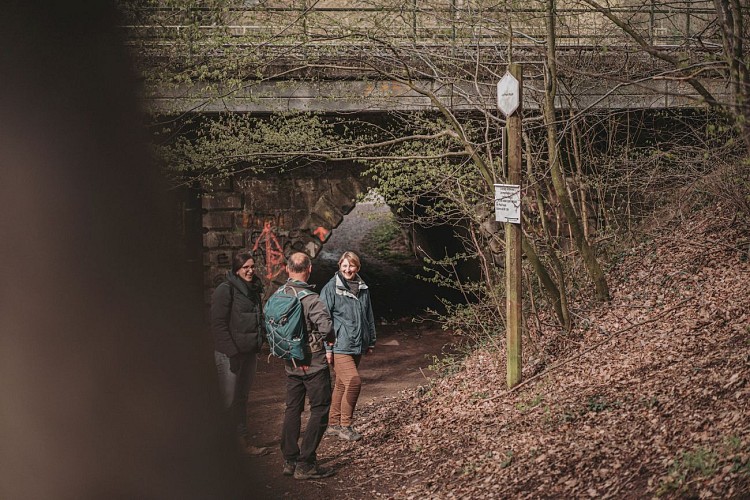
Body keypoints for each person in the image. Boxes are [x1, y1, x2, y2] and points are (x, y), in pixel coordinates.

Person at [280, 252, 336, 480]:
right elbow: (326, 329)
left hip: (290, 361)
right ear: (309, 269)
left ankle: (289, 460)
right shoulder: (311, 299)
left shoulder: (279, 294)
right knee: (320, 409)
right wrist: (330, 339)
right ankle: (306, 463)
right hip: (313, 363)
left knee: (292, 409)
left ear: (287, 269)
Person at [211, 251, 268, 456]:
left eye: (252, 266)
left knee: (242, 399)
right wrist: (231, 352)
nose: (251, 270)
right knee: (228, 400)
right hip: (230, 355)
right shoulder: (225, 290)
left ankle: (241, 444)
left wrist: (259, 342)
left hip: (249, 353)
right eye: (246, 267)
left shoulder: (253, 290)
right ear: (237, 269)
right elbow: (218, 324)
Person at [321, 251, 377, 442]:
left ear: (357, 268)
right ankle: (346, 425)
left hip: (357, 343)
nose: (347, 269)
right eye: (344, 266)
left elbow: (369, 315)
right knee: (354, 381)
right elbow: (324, 320)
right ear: (339, 266)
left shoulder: (363, 288)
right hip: (339, 345)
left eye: (351, 266)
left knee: (341, 383)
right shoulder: (330, 289)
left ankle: (333, 424)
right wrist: (327, 348)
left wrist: (371, 341)